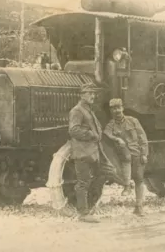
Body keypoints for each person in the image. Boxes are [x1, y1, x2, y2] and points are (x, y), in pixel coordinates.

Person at [68, 83, 116, 223]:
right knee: (83, 182)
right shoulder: (77, 111)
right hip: (82, 152)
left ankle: (89, 206)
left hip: (93, 151)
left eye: (94, 93)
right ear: (82, 94)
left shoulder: (88, 110)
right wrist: (91, 134)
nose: (93, 96)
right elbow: (73, 130)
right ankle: (83, 213)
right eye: (89, 93)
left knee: (103, 174)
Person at [103, 98, 149, 217]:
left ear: (123, 108)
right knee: (126, 159)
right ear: (111, 111)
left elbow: (142, 138)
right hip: (123, 157)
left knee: (139, 180)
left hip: (137, 154)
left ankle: (139, 207)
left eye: (118, 107)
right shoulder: (111, 124)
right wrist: (117, 138)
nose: (117, 111)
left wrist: (144, 154)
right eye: (114, 108)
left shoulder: (133, 121)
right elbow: (106, 133)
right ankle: (127, 186)